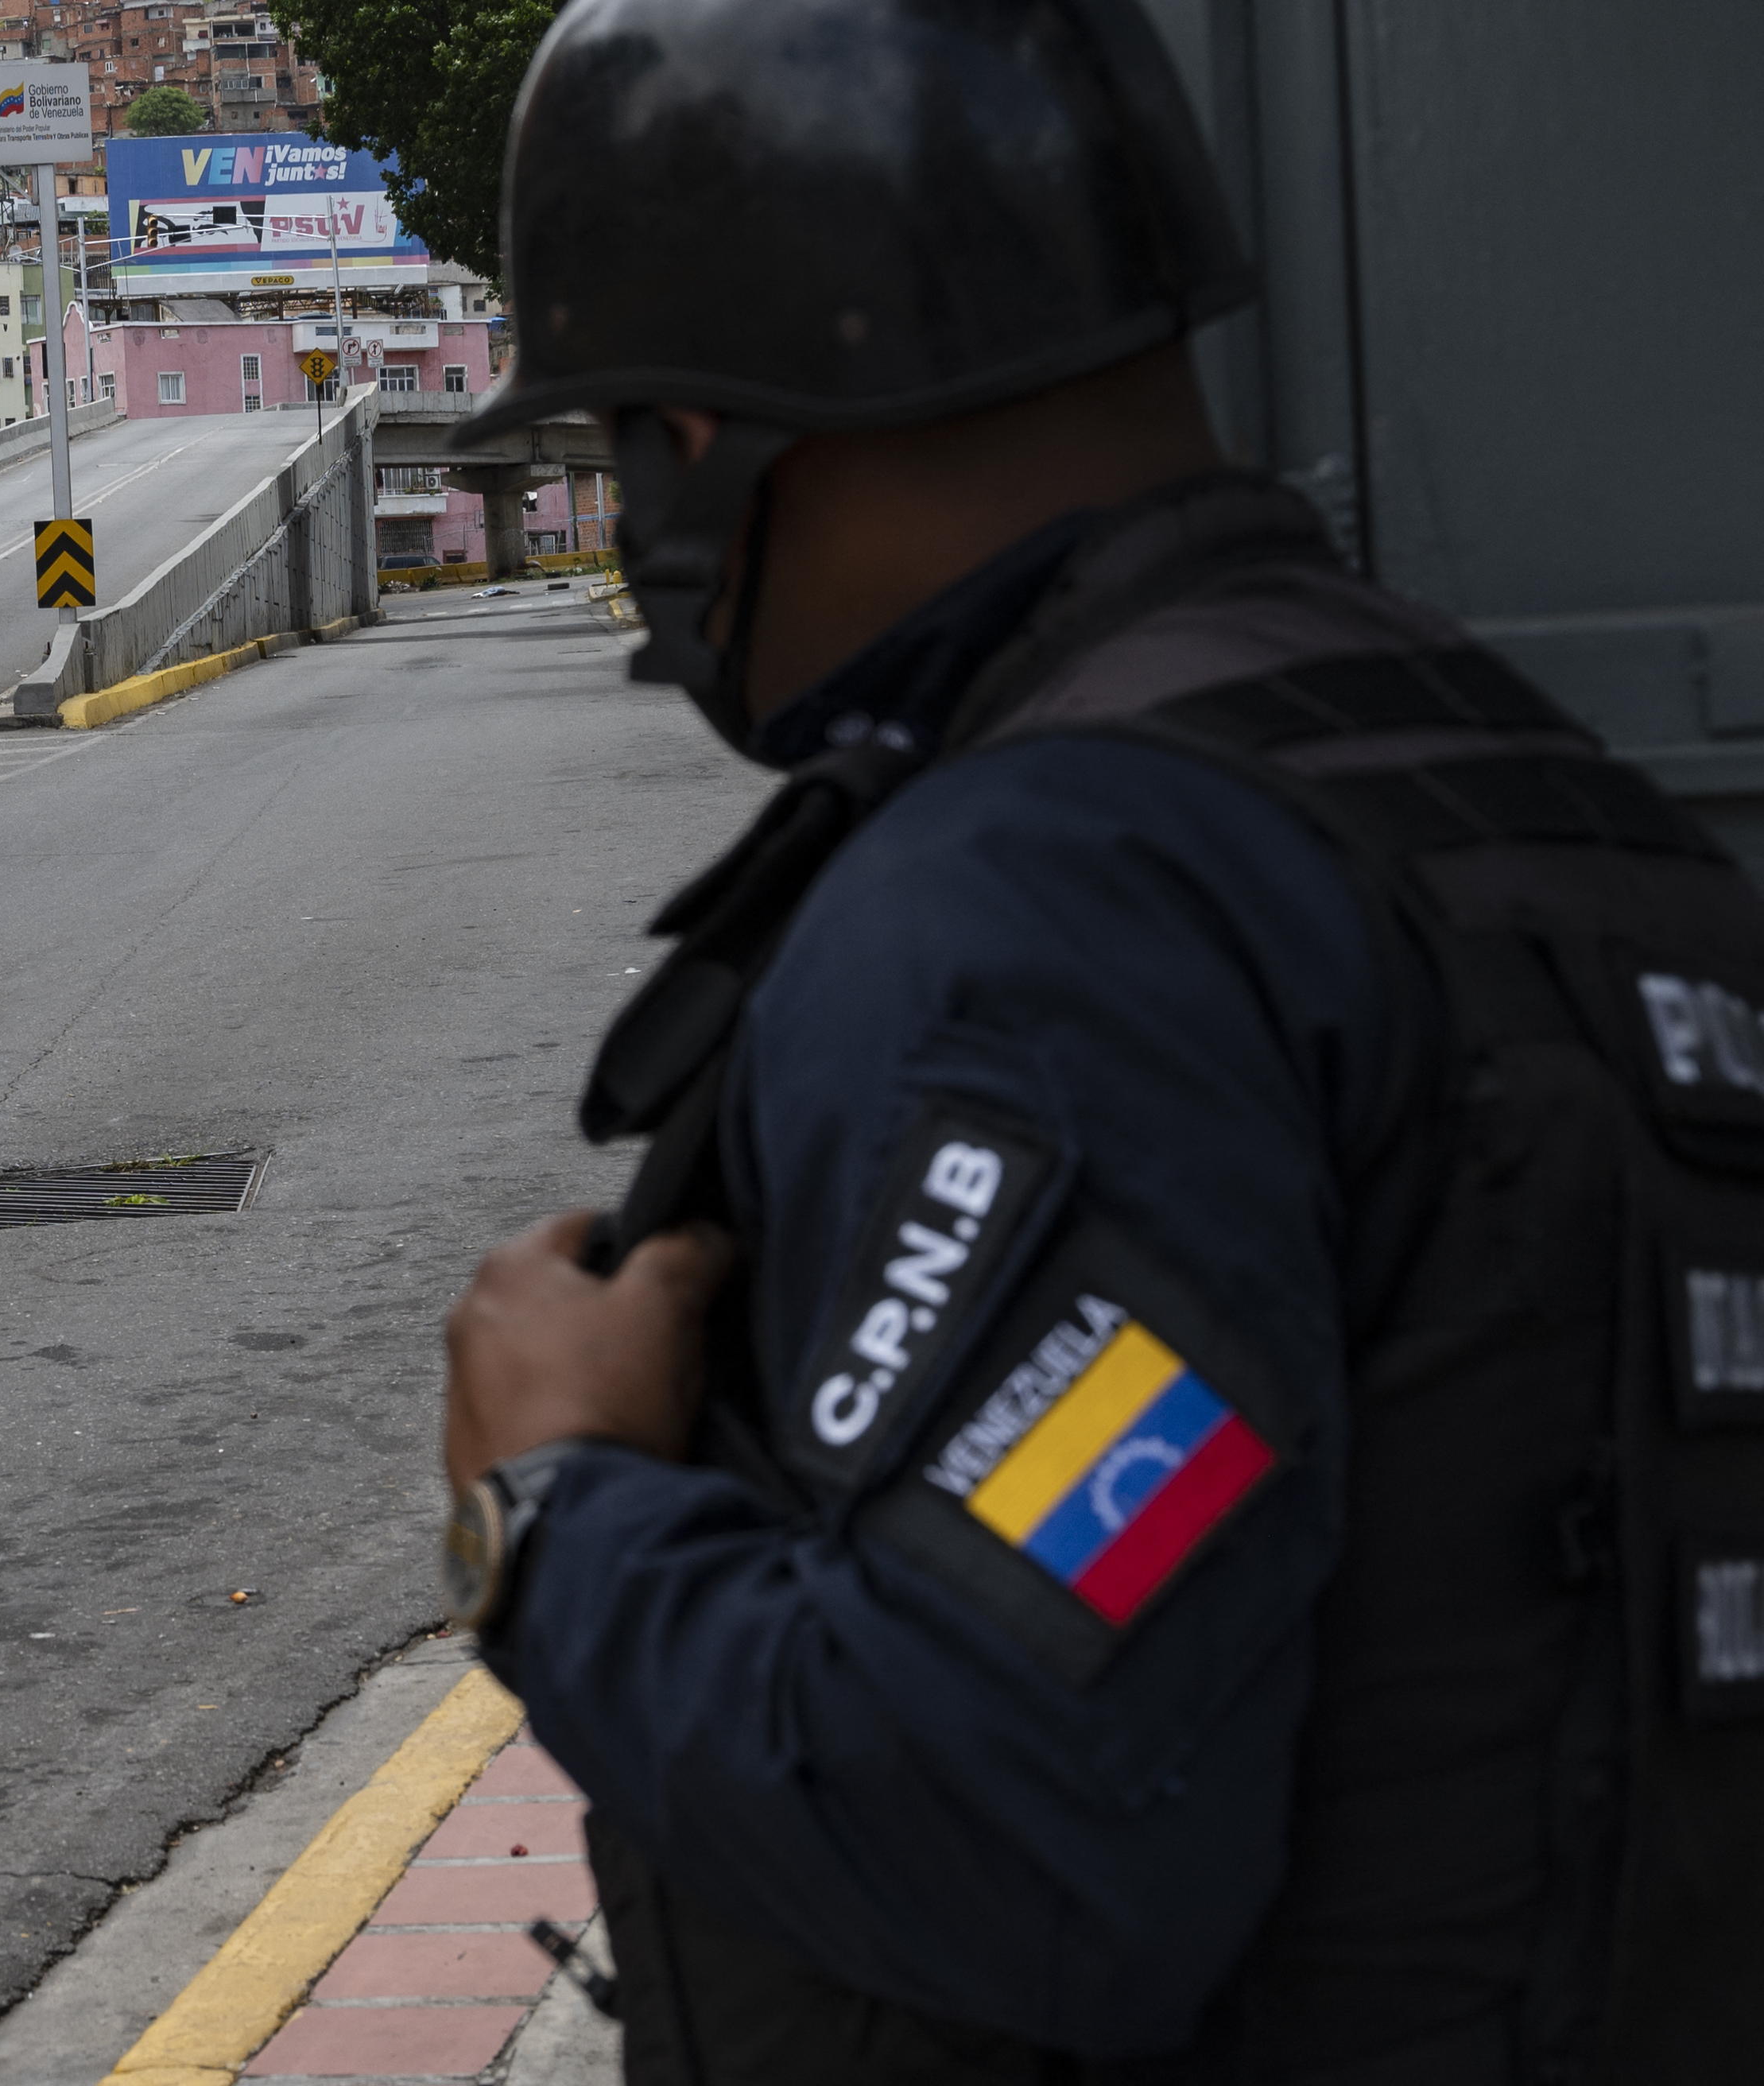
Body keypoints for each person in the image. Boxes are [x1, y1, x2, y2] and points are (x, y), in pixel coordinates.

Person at [432, 1, 1764, 2079]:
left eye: (620, 443)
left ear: (713, 430)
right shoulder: (1527, 783)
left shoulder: (1054, 910)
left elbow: (1010, 1825)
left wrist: (554, 1513)